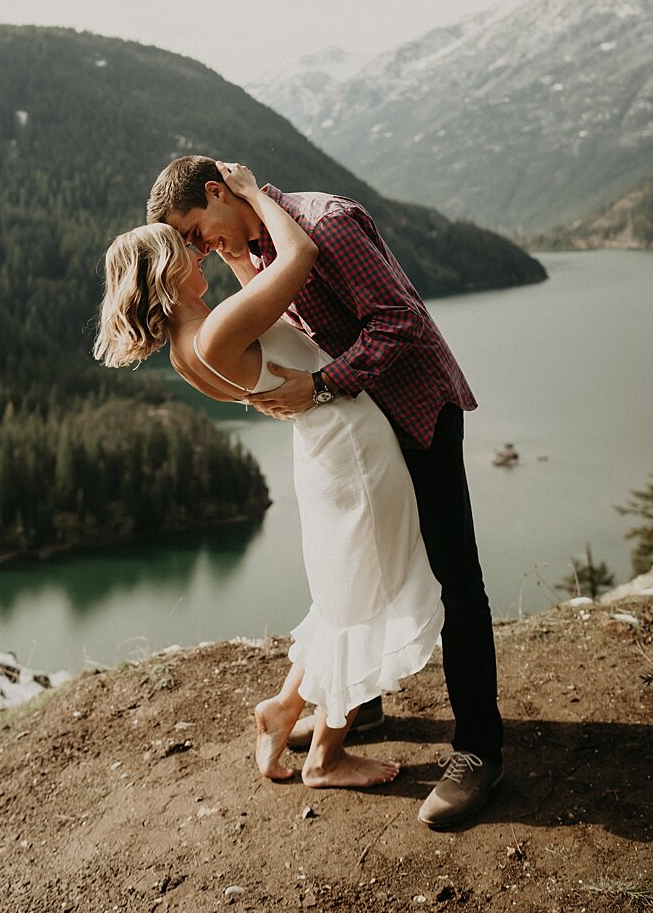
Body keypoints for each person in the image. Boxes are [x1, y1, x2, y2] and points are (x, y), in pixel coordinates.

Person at [146, 156, 504, 829]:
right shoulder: (259, 243)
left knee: (456, 577)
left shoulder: (326, 223)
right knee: (360, 569)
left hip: (416, 409)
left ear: (220, 192)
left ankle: (480, 751)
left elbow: (402, 322)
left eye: (196, 230)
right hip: (363, 425)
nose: (199, 247)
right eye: (189, 244)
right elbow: (275, 323)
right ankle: (359, 703)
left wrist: (321, 384)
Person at [95, 162, 444, 792]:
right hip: (350, 451)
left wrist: (235, 242)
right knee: (358, 601)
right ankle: (327, 758)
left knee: (344, 592)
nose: (199, 248)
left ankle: (284, 710)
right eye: (185, 247)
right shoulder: (221, 327)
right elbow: (301, 253)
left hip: (327, 452)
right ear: (165, 272)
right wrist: (254, 193)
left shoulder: (193, 340)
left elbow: (262, 292)